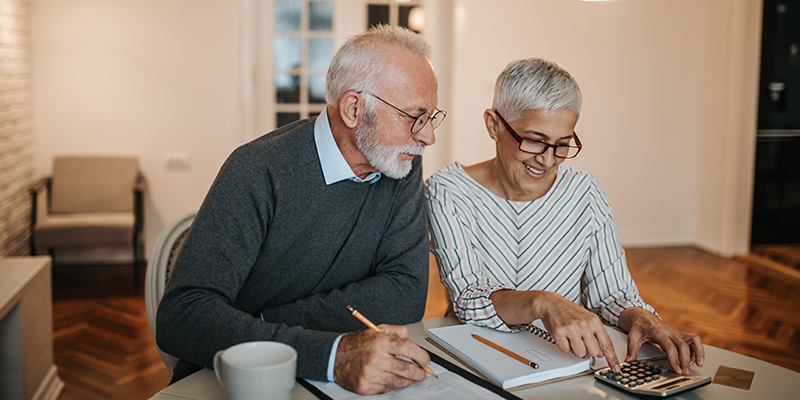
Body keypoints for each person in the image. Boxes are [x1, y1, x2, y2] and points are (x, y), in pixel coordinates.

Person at [157, 25, 446, 395]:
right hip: (238, 381)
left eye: (432, 116)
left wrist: (262, 324)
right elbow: (183, 316)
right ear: (354, 108)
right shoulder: (258, 170)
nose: (428, 136)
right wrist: (329, 353)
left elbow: (405, 294)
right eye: (414, 117)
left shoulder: (400, 164)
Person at [425, 58, 704, 376]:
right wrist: (542, 303)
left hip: (567, 363)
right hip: (478, 360)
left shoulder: (585, 193)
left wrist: (642, 317)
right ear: (493, 125)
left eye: (562, 144)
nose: (547, 160)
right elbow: (467, 298)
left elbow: (612, 295)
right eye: (533, 140)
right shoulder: (448, 191)